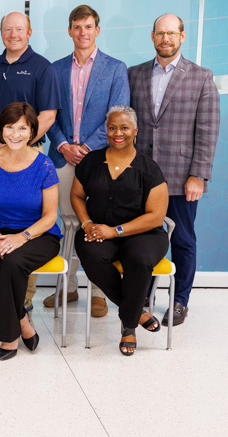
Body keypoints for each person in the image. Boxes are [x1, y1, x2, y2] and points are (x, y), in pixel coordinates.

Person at [128, 13, 220, 326]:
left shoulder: (201, 76)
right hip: (141, 177)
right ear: (152, 36)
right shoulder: (134, 74)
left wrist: (199, 174)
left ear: (182, 36)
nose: (165, 39)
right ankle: (142, 297)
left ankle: (180, 301)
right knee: (142, 238)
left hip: (182, 177)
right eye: (160, 33)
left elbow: (208, 129)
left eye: (171, 33)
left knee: (181, 239)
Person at [44, 5, 130, 318]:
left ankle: (99, 292)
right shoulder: (54, 69)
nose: (83, 32)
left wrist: (87, 146)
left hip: (101, 160)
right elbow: (47, 114)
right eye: (77, 27)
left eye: (89, 26)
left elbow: (119, 114)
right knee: (68, 224)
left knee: (98, 223)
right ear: (69, 31)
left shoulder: (115, 68)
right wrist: (65, 144)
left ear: (97, 30)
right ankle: (66, 287)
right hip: (63, 158)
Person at [0, 11, 61, 315]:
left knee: (28, 217)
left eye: (19, 29)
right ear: (1, 33)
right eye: (8, 29)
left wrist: (22, 141)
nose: (13, 34)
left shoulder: (42, 68)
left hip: (29, 155)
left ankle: (22, 298)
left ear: (30, 32)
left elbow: (49, 114)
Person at [72, 106, 169, 355]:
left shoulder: (149, 168)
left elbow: (156, 216)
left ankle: (128, 326)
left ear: (135, 131)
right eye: (112, 127)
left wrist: (114, 231)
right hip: (97, 230)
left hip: (143, 233)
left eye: (124, 127)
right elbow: (77, 195)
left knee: (139, 259)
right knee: (92, 256)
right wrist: (87, 224)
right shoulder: (91, 161)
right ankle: (137, 312)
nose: (118, 133)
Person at [0, 102, 62, 361]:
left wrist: (21, 238)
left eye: (22, 128)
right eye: (9, 127)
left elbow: (49, 217)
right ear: (1, 129)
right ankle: (21, 320)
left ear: (32, 131)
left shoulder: (44, 165)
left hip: (39, 234)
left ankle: (9, 337)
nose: (15, 134)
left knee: (12, 262)